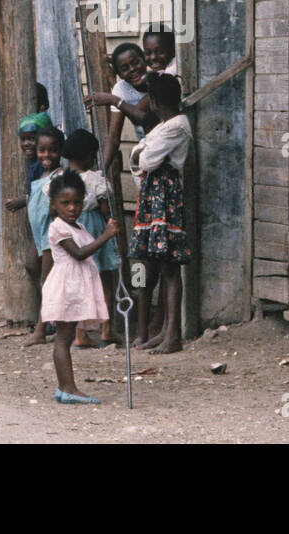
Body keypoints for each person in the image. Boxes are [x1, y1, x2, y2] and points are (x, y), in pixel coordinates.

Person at [40, 169, 119, 404]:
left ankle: (66, 387)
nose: (72, 208)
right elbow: (79, 253)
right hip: (66, 288)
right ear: (54, 205)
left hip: (75, 287)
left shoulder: (79, 227)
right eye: (65, 203)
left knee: (65, 337)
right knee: (63, 338)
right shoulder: (58, 227)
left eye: (76, 202)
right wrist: (106, 236)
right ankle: (68, 388)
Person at [128, 72, 192, 354]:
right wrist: (142, 153)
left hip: (165, 199)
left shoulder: (176, 126)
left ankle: (173, 335)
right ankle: (166, 330)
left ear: (153, 101)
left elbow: (146, 158)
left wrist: (141, 153)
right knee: (164, 265)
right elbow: (143, 154)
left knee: (170, 266)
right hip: (156, 199)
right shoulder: (167, 125)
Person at [63, 128, 120, 346]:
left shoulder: (63, 180)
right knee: (104, 278)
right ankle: (106, 329)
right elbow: (106, 209)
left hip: (73, 229)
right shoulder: (96, 180)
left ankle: (80, 334)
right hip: (96, 229)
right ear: (90, 156)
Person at [85, 43, 159, 174]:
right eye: (124, 68)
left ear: (144, 60)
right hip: (146, 156)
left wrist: (113, 100)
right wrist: (101, 172)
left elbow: (144, 117)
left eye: (136, 63)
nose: (132, 69)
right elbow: (113, 137)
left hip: (167, 148)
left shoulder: (157, 80)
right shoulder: (121, 89)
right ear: (119, 74)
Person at [23, 126, 65, 346]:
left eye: (52, 151)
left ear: (60, 151)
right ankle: (53, 320)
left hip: (52, 235)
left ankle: (41, 329)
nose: (46, 155)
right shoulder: (37, 172)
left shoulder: (60, 176)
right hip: (39, 233)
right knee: (32, 266)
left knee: (47, 279)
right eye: (42, 150)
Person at [4, 111, 55, 214]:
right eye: (23, 139)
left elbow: (46, 194)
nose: (26, 143)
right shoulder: (35, 163)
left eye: (31, 138)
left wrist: (23, 200)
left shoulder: (45, 165)